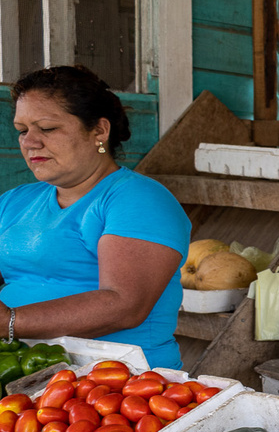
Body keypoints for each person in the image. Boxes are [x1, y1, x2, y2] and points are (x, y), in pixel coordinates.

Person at [0, 66, 190, 369]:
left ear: (99, 131)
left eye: (47, 128)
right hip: (25, 368)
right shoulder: (15, 202)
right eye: (22, 130)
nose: (29, 141)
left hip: (120, 388)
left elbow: (124, 305)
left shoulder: (138, 199)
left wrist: (11, 321)